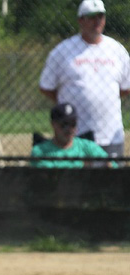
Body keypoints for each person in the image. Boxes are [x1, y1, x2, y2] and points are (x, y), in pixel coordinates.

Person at [39, 0, 130, 158]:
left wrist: (103, 99)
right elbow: (46, 87)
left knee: (112, 179)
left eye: (100, 16)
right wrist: (67, 101)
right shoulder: (63, 51)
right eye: (91, 17)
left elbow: (126, 87)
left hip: (110, 134)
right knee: (76, 180)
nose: (97, 21)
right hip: (76, 134)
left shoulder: (116, 49)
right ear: (81, 20)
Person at [31, 103, 114, 168]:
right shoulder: (41, 151)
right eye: (64, 124)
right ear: (53, 124)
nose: (69, 129)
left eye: (73, 124)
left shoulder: (86, 146)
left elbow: (112, 165)